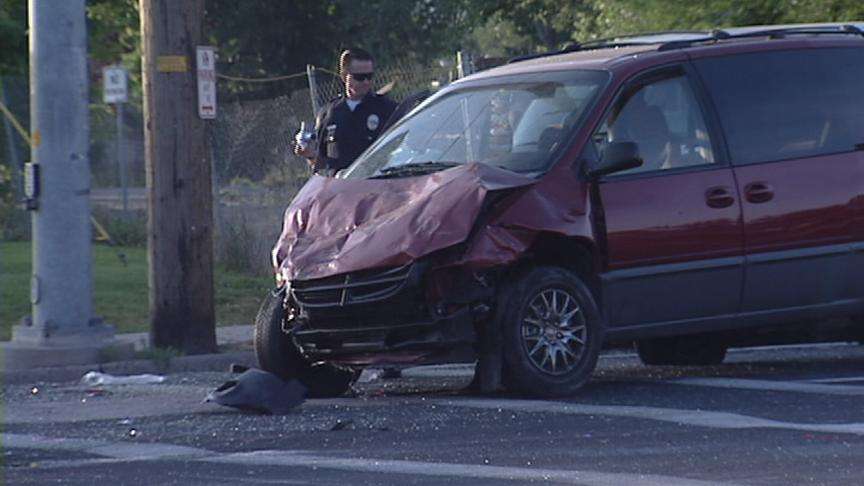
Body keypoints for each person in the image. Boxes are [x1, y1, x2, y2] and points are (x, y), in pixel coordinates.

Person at [295, 48, 398, 175]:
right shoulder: (328, 114)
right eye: (360, 77)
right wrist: (310, 155)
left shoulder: (387, 109)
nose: (366, 82)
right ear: (344, 76)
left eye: (369, 76)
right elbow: (323, 163)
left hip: (377, 183)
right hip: (342, 185)